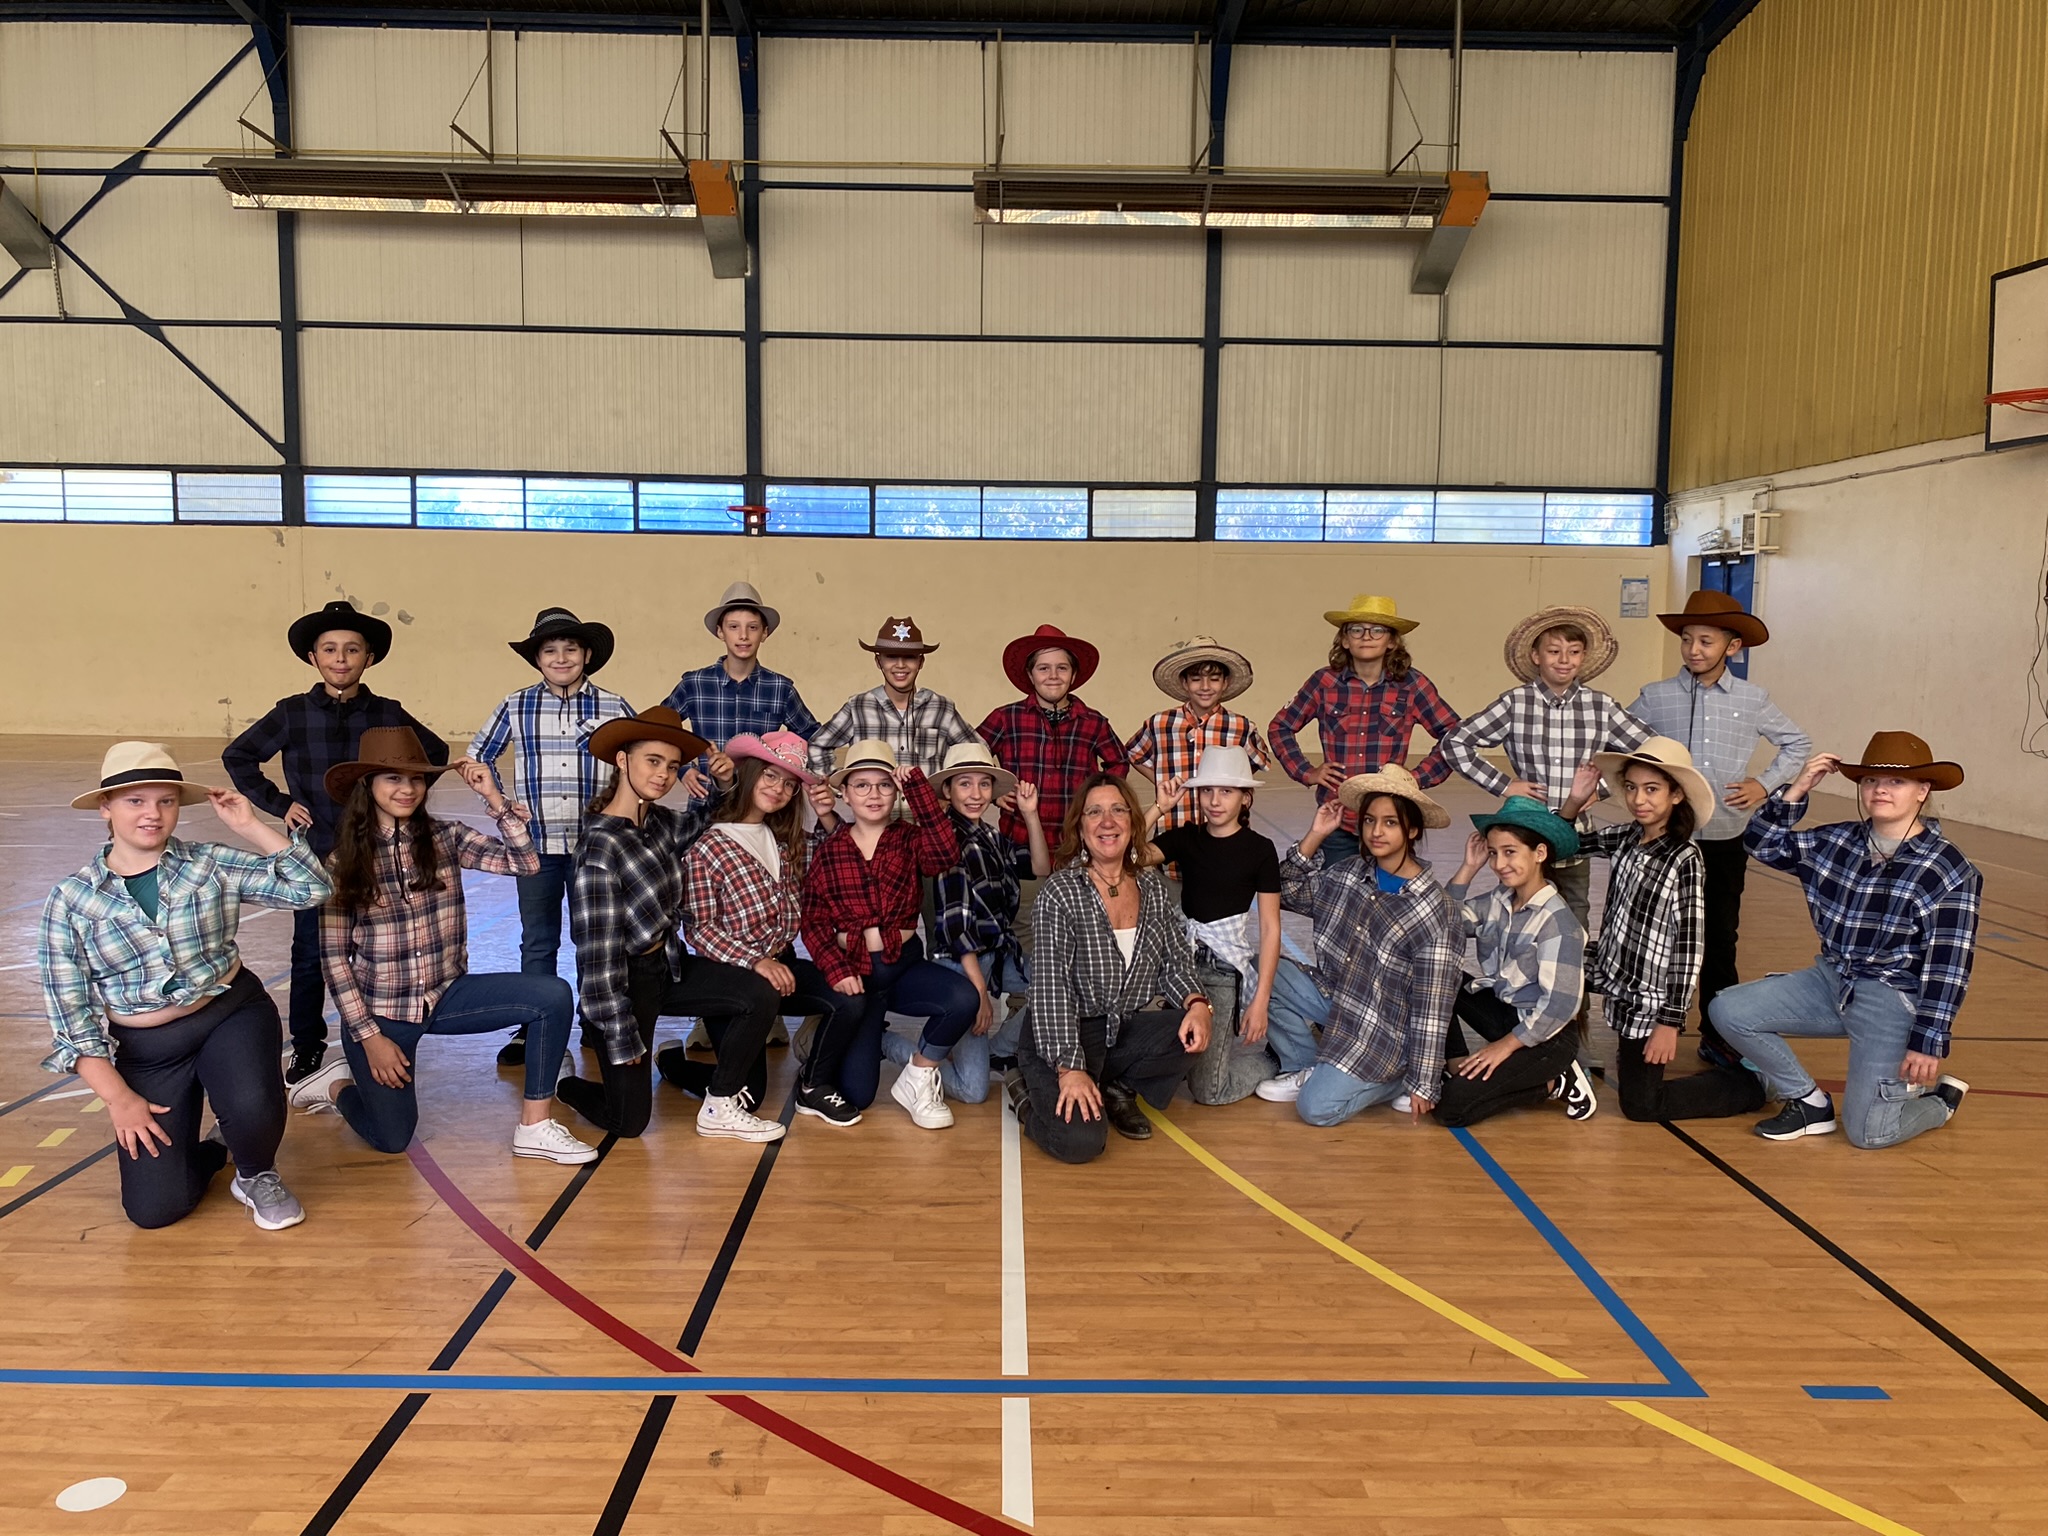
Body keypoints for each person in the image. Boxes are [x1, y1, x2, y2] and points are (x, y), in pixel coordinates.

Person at [39, 743, 333, 1230]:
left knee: (252, 1105)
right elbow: (70, 1017)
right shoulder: (71, 900)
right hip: (150, 1050)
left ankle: (255, 1173)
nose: (152, 814)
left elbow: (312, 889)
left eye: (166, 801)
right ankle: (218, 1149)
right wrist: (120, 1099)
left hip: (230, 1013)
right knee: (155, 1211)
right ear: (105, 808)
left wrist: (250, 826)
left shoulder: (208, 862)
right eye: (135, 801)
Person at [289, 728, 597, 1164]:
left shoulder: (446, 838)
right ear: (368, 785)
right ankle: (337, 1085)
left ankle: (534, 1126)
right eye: (393, 778)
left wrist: (494, 799)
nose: (407, 789)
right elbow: (336, 960)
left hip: (447, 995)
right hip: (383, 1014)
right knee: (391, 1138)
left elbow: (526, 863)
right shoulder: (343, 863)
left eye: (416, 779)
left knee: (552, 995)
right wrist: (370, 1038)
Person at [1709, 732, 1978, 1147]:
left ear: (1923, 790)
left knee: (1869, 1133)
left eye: (1896, 781)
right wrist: (1798, 788)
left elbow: (1949, 964)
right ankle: (1809, 1102)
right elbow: (1760, 844)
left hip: (1891, 998)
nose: (1880, 789)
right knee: (1728, 1010)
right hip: (1832, 981)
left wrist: (1928, 1040)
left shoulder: (1950, 869)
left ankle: (1939, 1102)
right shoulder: (1836, 842)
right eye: (1871, 780)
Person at [223, 600, 449, 1084]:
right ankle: (307, 1046)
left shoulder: (388, 713)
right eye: (329, 649)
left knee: (379, 950)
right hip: (315, 856)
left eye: (352, 649)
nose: (341, 658)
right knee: (310, 955)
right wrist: (279, 803)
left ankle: (380, 1037)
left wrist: (397, 804)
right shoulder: (292, 712)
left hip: (378, 854)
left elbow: (434, 753)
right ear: (313, 657)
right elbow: (239, 755)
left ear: (370, 657)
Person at [558, 706, 783, 1142]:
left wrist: (725, 782)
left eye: (672, 765)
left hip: (667, 967)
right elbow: (596, 958)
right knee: (629, 1123)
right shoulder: (600, 847)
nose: (663, 775)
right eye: (653, 761)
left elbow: (707, 818)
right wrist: (620, 1032)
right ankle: (564, 1082)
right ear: (622, 760)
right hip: (622, 986)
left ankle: (719, 1102)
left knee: (758, 993)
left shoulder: (659, 822)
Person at [1627, 590, 1810, 1057]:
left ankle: (1718, 1032)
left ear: (1733, 646)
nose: (1693, 650)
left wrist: (1764, 785)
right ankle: (1649, 1025)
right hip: (1667, 839)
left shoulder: (1753, 699)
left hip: (1726, 837)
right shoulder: (1655, 697)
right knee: (1658, 934)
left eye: (1706, 641)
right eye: (1687, 639)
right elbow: (1620, 744)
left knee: (1719, 936)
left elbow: (1798, 744)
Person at [1559, 739, 1765, 1122]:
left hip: (1647, 997)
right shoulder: (1627, 836)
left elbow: (1689, 946)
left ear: (1676, 795)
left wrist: (1669, 1022)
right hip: (1610, 970)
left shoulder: (1684, 858)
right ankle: (1553, 1060)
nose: (1639, 799)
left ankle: (1750, 1085)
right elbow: (1560, 848)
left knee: (1641, 1105)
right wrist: (1573, 802)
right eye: (1632, 787)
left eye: (1652, 789)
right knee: (1550, 962)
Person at [1010, 774, 1212, 1164]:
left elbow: (1175, 960)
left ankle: (1116, 1088)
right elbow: (1051, 989)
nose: (1107, 821)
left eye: (1118, 810)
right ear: (1080, 828)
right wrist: (1069, 1068)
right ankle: (1024, 1095)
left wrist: (1198, 1003)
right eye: (1095, 812)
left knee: (1190, 1031)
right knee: (1081, 1142)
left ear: (1133, 823)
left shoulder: (1152, 889)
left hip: (1119, 1030)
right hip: (1063, 1034)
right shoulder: (1061, 892)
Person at [669, 731, 867, 1128]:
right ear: (750, 773)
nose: (779, 789)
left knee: (850, 997)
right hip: (733, 975)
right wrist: (755, 961)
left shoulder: (786, 840)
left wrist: (826, 813)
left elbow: (847, 855)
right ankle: (672, 1063)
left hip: (782, 965)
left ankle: (814, 1084)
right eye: (771, 776)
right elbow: (700, 930)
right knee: (749, 1094)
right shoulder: (709, 845)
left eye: (790, 784)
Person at [467, 607, 635, 1069]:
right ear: (537, 659)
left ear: (587, 655)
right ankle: (533, 1024)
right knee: (538, 940)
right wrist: (500, 803)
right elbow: (477, 756)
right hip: (535, 847)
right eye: (550, 651)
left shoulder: (613, 707)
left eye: (570, 649)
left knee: (595, 939)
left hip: (595, 848)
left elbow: (640, 760)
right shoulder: (516, 705)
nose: (561, 658)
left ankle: (595, 1019)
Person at [1262, 767, 1462, 1127]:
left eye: (1390, 823)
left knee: (1316, 1109)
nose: (1376, 832)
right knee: (1260, 971)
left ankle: (1397, 1077)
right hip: (1338, 1000)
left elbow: (1432, 1007)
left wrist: (1423, 1083)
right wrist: (1316, 835)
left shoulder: (1435, 909)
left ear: (1412, 831)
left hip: (1383, 1031)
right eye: (1370, 820)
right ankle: (1304, 1065)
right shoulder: (1347, 873)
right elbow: (1282, 890)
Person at [1439, 604, 1653, 938]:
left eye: (1574, 652)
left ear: (1583, 657)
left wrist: (1603, 789)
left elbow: (1650, 752)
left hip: (1576, 835)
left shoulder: (1601, 707)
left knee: (1574, 916)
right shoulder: (1515, 703)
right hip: (1526, 833)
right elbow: (1455, 743)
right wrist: (1504, 785)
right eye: (1554, 651)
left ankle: (1571, 972)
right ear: (1536, 656)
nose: (1564, 660)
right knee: (1520, 914)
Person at [798, 740, 979, 1128]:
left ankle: (919, 1074)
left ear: (895, 792)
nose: (873, 794)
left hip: (902, 968)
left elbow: (945, 853)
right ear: (845, 794)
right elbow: (812, 921)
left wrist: (917, 789)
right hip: (857, 978)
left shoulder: (909, 838)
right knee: (858, 1095)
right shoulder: (830, 851)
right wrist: (836, 970)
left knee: (964, 998)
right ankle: (829, 1040)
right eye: (861, 786)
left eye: (883, 785)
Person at [1144, 745, 1311, 1106]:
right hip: (1181, 967)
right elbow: (1124, 855)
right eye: (1207, 790)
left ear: (1245, 798)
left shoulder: (1260, 849)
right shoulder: (1186, 837)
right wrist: (1159, 807)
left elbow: (1271, 929)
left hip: (1222, 972)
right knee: (1171, 1064)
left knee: (1210, 1091)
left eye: (1226, 791)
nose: (1215, 800)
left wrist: (1259, 1002)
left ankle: (1274, 1059)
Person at [1435, 797, 1596, 1127]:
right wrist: (1468, 868)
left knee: (1451, 1107)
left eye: (1510, 852)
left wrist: (1503, 1047)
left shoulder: (1559, 923)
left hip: (1547, 1037)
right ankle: (1456, 1065)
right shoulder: (1499, 900)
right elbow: (1442, 925)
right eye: (1493, 853)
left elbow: (1559, 1006)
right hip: (1507, 1011)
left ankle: (1555, 1082)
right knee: (1437, 971)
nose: (1498, 863)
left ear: (1540, 853)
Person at [1270, 595, 1459, 866]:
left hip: (1389, 819)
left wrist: (1417, 778)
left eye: (1377, 630)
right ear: (1345, 640)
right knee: (1336, 888)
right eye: (1356, 629)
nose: (1366, 637)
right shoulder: (1325, 682)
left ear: (1392, 641)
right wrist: (1306, 771)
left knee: (1390, 886)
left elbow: (1454, 734)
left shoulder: (1411, 685)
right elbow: (1281, 726)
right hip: (1338, 819)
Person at [910, 741, 1052, 1104]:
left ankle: (998, 1049)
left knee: (1061, 983)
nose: (975, 794)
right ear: (947, 790)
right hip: (962, 965)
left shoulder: (990, 836)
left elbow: (1040, 867)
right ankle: (892, 1047)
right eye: (965, 784)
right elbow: (958, 928)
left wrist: (1030, 815)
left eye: (984, 784)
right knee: (972, 1091)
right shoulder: (948, 841)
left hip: (996, 956)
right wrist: (979, 997)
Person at [978, 623, 1128, 852]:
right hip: (1018, 840)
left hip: (1076, 841)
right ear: (1030, 675)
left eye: (1062, 668)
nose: (1053, 676)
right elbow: (970, 756)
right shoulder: (1006, 718)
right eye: (1043, 668)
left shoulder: (1093, 722)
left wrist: (1097, 799)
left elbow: (1119, 761)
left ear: (1073, 674)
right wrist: (993, 791)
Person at [663, 580, 819, 788]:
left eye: (752, 627)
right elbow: (659, 729)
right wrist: (682, 768)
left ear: (764, 633)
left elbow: (813, 737)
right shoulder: (694, 685)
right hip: (706, 800)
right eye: (733, 627)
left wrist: (786, 769)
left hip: (757, 800)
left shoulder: (780, 689)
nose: (743, 636)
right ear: (720, 632)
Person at [1124, 635, 1271, 832]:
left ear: (1225, 682)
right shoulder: (1161, 723)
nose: (1205, 687)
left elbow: (1259, 761)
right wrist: (1160, 779)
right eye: (1195, 679)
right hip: (1173, 825)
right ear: (1184, 683)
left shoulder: (1240, 726)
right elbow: (1133, 752)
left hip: (1223, 834)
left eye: (1214, 679)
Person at [806, 617, 981, 778]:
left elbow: (978, 752)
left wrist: (949, 790)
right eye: (891, 657)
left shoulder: (942, 708)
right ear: (878, 661)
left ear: (920, 662)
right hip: (874, 803)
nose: (900, 665)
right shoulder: (858, 707)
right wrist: (841, 786)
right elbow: (818, 746)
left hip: (926, 803)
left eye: (909, 657)